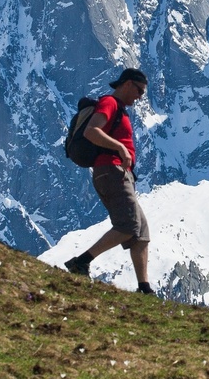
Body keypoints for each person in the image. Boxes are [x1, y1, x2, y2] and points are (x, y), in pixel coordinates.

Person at [65, 68, 154, 295]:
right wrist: (120, 147)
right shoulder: (110, 103)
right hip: (111, 170)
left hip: (119, 173)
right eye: (139, 91)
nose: (140, 97)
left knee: (141, 231)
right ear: (127, 84)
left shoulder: (120, 108)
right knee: (129, 225)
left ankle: (144, 288)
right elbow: (92, 131)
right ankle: (81, 262)